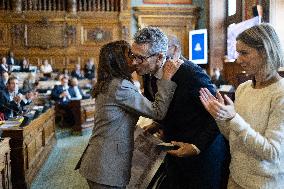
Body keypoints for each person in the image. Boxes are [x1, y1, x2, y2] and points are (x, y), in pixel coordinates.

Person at [132, 27, 227, 189]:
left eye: (140, 58)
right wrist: (158, 124)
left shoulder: (190, 74)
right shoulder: (147, 74)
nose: (134, 62)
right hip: (173, 150)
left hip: (203, 156)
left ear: (160, 57)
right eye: (133, 55)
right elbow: (170, 107)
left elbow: (218, 115)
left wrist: (196, 147)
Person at [78, 40, 180, 189]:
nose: (135, 59)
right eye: (130, 55)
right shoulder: (119, 86)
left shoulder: (111, 82)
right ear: (119, 61)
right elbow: (157, 112)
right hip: (106, 166)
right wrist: (167, 78)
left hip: (100, 160)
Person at [200, 23, 284, 189]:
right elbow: (235, 136)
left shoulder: (280, 94)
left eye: (244, 53)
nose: (238, 60)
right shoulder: (244, 88)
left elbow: (272, 153)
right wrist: (219, 116)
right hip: (236, 178)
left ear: (265, 52)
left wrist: (233, 118)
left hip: (264, 184)